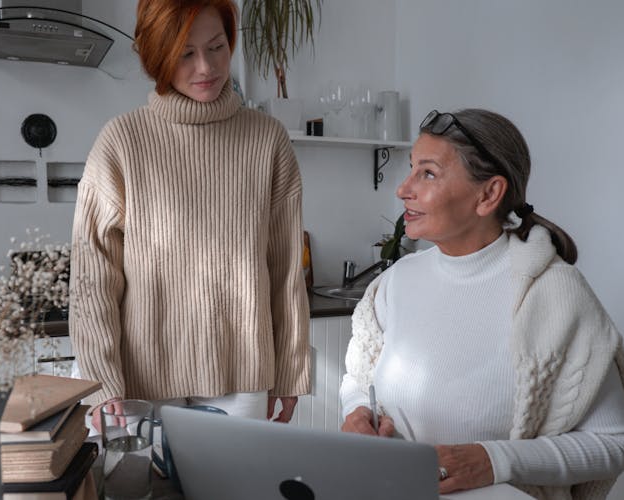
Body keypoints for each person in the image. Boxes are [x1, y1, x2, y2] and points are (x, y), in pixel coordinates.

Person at [339, 108, 624, 499]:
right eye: (411, 168)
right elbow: (358, 378)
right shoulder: (395, 282)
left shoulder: (557, 297)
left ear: (489, 194)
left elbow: (612, 442)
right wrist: (355, 412)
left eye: (428, 173)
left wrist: (493, 461)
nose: (403, 189)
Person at [69, 0, 310, 423]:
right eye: (185, 53)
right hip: (138, 384)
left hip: (244, 377)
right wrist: (101, 381)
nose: (206, 67)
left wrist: (291, 370)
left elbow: (285, 267)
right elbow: (93, 278)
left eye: (217, 46)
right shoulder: (121, 141)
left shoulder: (267, 139)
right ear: (156, 57)